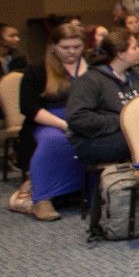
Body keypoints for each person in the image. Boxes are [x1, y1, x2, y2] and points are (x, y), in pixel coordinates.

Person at [11, 24, 88, 219]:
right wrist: (63, 125)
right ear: (53, 46)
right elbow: (29, 107)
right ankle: (42, 199)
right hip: (47, 121)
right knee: (56, 140)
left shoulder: (92, 68)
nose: (72, 52)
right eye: (65, 47)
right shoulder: (37, 70)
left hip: (84, 117)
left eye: (77, 47)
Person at [65, 28, 139, 169]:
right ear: (120, 54)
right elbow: (78, 118)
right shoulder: (90, 80)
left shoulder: (138, 76)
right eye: (134, 48)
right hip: (96, 139)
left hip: (135, 132)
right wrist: (122, 121)